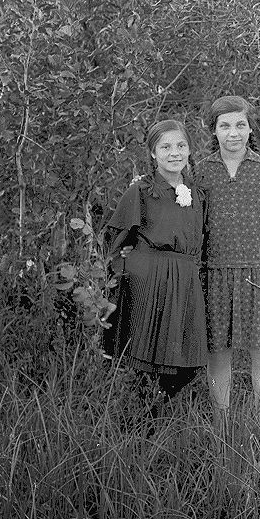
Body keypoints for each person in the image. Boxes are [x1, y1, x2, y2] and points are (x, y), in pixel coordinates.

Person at [191, 96, 260, 414]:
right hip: (216, 273)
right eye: (225, 126)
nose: (232, 133)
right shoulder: (201, 172)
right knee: (218, 351)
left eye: (240, 125)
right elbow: (195, 226)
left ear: (250, 129)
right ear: (214, 130)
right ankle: (221, 421)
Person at [102, 119, 208, 400]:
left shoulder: (197, 193)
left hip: (184, 279)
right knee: (143, 362)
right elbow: (117, 240)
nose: (174, 153)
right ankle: (139, 424)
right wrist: (123, 271)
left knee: (188, 361)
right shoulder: (141, 191)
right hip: (148, 281)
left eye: (181, 145)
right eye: (166, 146)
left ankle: (159, 403)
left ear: (189, 149)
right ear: (153, 152)